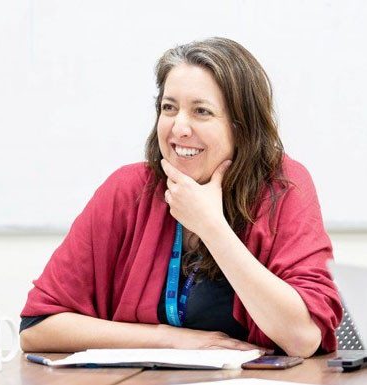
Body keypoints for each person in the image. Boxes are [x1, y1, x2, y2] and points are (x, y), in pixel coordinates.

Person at [19, 37, 342, 357]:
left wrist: (211, 226)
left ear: (242, 126)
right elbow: (38, 328)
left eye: (201, 111)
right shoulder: (128, 190)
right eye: (169, 108)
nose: (179, 128)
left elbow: (302, 338)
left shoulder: (283, 186)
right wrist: (170, 339)